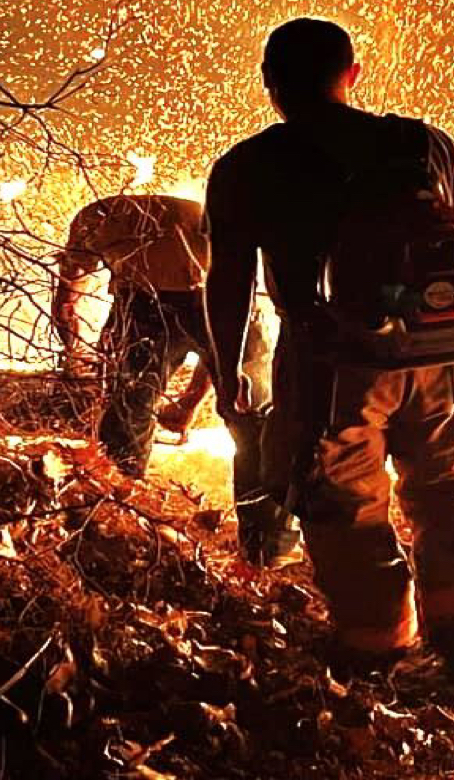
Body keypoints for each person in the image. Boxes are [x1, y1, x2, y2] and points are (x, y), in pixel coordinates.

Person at [204, 17, 454, 681]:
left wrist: (226, 367)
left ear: (269, 83)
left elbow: (228, 279)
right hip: (449, 358)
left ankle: (375, 644)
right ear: (353, 75)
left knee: (341, 501)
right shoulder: (422, 144)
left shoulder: (248, 167)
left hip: (331, 366)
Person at [52, 192, 296, 564]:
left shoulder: (95, 219)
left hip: (185, 299)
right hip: (192, 298)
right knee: (250, 420)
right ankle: (267, 546)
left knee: (128, 412)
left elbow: (66, 302)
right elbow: (225, 338)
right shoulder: (115, 220)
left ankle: (117, 516)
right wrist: (189, 404)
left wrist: (75, 356)